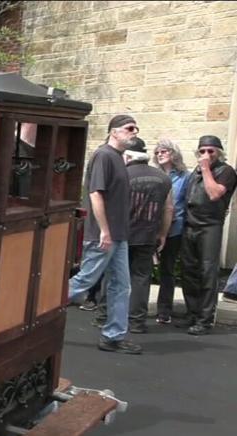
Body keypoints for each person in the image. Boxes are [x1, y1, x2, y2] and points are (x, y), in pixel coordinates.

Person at [67, 114, 141, 354]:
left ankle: (113, 336)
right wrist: (105, 232)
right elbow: (95, 194)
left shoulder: (118, 158)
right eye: (130, 128)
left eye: (136, 129)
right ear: (114, 132)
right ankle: (35, 313)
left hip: (119, 235)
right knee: (84, 280)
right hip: (105, 235)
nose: (134, 132)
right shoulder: (104, 155)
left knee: (121, 286)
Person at [93, 138, 171, 334]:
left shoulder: (122, 175)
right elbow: (169, 208)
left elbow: (106, 203)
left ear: (128, 156)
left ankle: (104, 316)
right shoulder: (163, 178)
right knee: (141, 278)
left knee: (112, 276)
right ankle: (136, 322)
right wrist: (163, 233)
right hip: (147, 235)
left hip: (121, 233)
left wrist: (104, 230)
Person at [179, 135, 237, 335]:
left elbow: (214, 194)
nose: (206, 155)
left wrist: (205, 169)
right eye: (202, 151)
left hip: (210, 226)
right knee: (189, 272)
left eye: (211, 151)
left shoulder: (225, 171)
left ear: (219, 152)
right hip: (190, 225)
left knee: (207, 272)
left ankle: (204, 319)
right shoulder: (194, 173)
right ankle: (192, 313)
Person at [151, 139, 189, 323]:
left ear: (174, 153)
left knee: (167, 268)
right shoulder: (154, 175)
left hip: (175, 228)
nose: (160, 154)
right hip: (151, 227)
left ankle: (164, 310)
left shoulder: (184, 177)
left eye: (164, 151)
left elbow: (185, 204)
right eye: (157, 152)